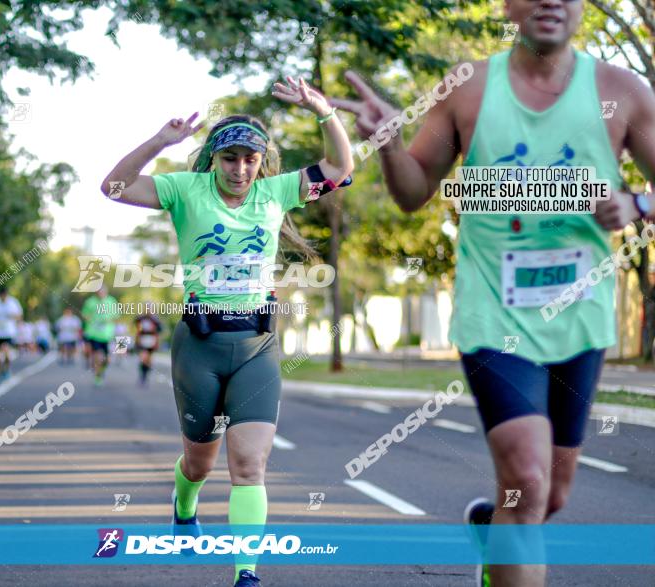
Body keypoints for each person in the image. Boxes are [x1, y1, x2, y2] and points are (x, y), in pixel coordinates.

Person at [333, 1, 655, 585]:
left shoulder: (622, 90)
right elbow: (412, 194)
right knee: (527, 482)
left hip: (580, 317)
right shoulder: (467, 89)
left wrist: (640, 203)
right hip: (492, 313)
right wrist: (387, 141)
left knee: (548, 496)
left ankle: (493, 530)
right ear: (509, 5)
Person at [100, 75, 353, 586]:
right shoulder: (184, 189)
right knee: (199, 461)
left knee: (249, 465)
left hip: (257, 346)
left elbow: (341, 167)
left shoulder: (276, 192)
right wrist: (158, 142)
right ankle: (185, 501)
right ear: (213, 159)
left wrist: (323, 109)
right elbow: (114, 187)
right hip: (199, 346)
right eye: (230, 158)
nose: (240, 169)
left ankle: (246, 573)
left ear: (262, 162)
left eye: (250, 159)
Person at [80, 286, 119, 386]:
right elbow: (84, 315)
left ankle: (100, 371)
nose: (101, 294)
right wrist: (92, 320)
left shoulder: (111, 301)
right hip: (94, 334)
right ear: (96, 292)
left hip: (108, 335)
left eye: (103, 292)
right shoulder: (90, 302)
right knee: (97, 356)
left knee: (107, 359)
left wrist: (107, 320)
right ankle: (97, 375)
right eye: (99, 292)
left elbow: (116, 316)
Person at [0, 286, 22, 381]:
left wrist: (13, 316)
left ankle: (6, 370)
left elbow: (19, 316)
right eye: (2, 296)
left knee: (7, 354)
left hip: (8, 332)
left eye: (5, 295)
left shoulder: (13, 302)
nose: (3, 297)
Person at [134, 302, 163, 386]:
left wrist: (157, 342)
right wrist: (138, 339)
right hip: (142, 341)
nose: (148, 310)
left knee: (148, 360)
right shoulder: (140, 318)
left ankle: (145, 375)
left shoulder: (155, 319)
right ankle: (142, 376)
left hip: (151, 342)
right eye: (147, 308)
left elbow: (159, 331)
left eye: (150, 308)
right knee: (143, 358)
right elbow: (137, 328)